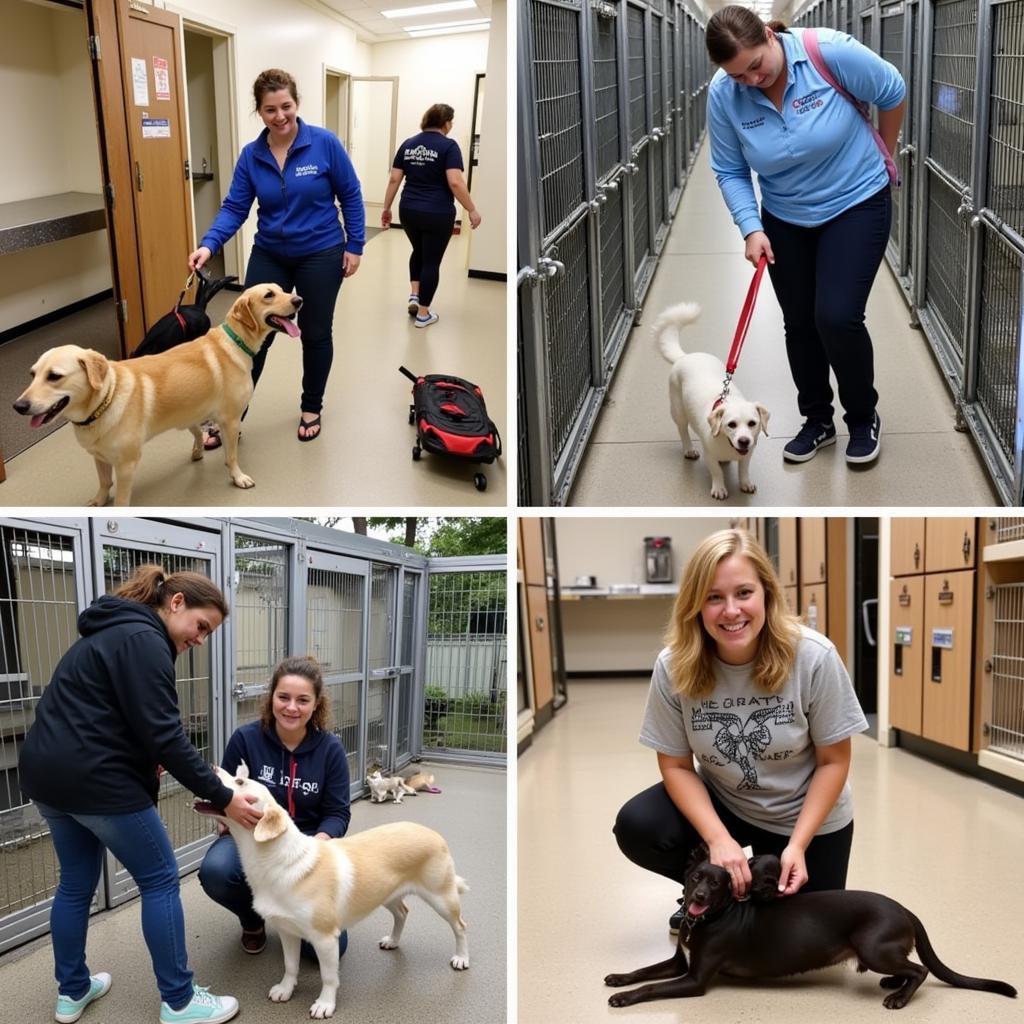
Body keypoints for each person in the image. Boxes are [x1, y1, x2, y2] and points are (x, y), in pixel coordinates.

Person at [18, 565, 263, 1024]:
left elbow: (109, 715)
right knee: (160, 878)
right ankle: (180, 1000)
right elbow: (165, 736)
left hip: (47, 778)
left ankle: (72, 992)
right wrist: (222, 796)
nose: (201, 639)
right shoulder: (147, 641)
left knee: (75, 883)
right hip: (97, 781)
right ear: (175, 604)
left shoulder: (109, 630)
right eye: (201, 625)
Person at [613, 528, 868, 934]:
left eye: (744, 593)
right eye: (714, 597)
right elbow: (677, 766)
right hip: (727, 801)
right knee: (640, 825)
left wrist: (798, 845)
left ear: (766, 593)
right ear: (696, 604)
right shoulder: (674, 664)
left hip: (803, 815)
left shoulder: (813, 657)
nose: (731, 611)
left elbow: (834, 761)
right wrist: (717, 841)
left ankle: (734, 892)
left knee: (796, 936)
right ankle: (712, 897)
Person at [705, 8, 906, 466]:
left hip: (855, 201)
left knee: (836, 316)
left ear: (769, 38)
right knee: (799, 322)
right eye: (738, 75)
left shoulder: (827, 52)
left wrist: (885, 156)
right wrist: (750, 227)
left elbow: (893, 90)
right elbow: (729, 168)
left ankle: (862, 418)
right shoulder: (724, 95)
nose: (751, 79)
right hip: (785, 215)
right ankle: (817, 421)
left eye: (756, 65)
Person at [188, 68, 365, 445]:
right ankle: (231, 416)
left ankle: (311, 406)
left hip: (321, 251)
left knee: (315, 332)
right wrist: (209, 244)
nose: (280, 116)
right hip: (270, 253)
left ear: (296, 103)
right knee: (249, 335)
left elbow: (350, 194)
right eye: (270, 110)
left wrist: (355, 245)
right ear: (260, 112)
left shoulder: (324, 144)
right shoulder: (252, 155)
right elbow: (235, 207)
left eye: (286, 106)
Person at [198, 655, 351, 959]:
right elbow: (223, 791)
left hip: (304, 843)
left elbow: (337, 814)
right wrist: (226, 816)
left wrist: (315, 848)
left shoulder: (330, 750)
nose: (291, 707)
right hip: (250, 835)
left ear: (316, 704)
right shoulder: (246, 739)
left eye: (302, 700)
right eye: (283, 697)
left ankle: (294, 916)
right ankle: (253, 919)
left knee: (328, 947)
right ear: (271, 698)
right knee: (217, 870)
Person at [381, 103, 482, 329]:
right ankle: (424, 314)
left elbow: (394, 179)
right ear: (446, 123)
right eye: (451, 122)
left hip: (408, 211)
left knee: (419, 250)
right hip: (437, 213)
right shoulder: (449, 146)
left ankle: (415, 295)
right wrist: (472, 209)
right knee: (431, 261)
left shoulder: (408, 144)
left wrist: (386, 209)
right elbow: (455, 182)